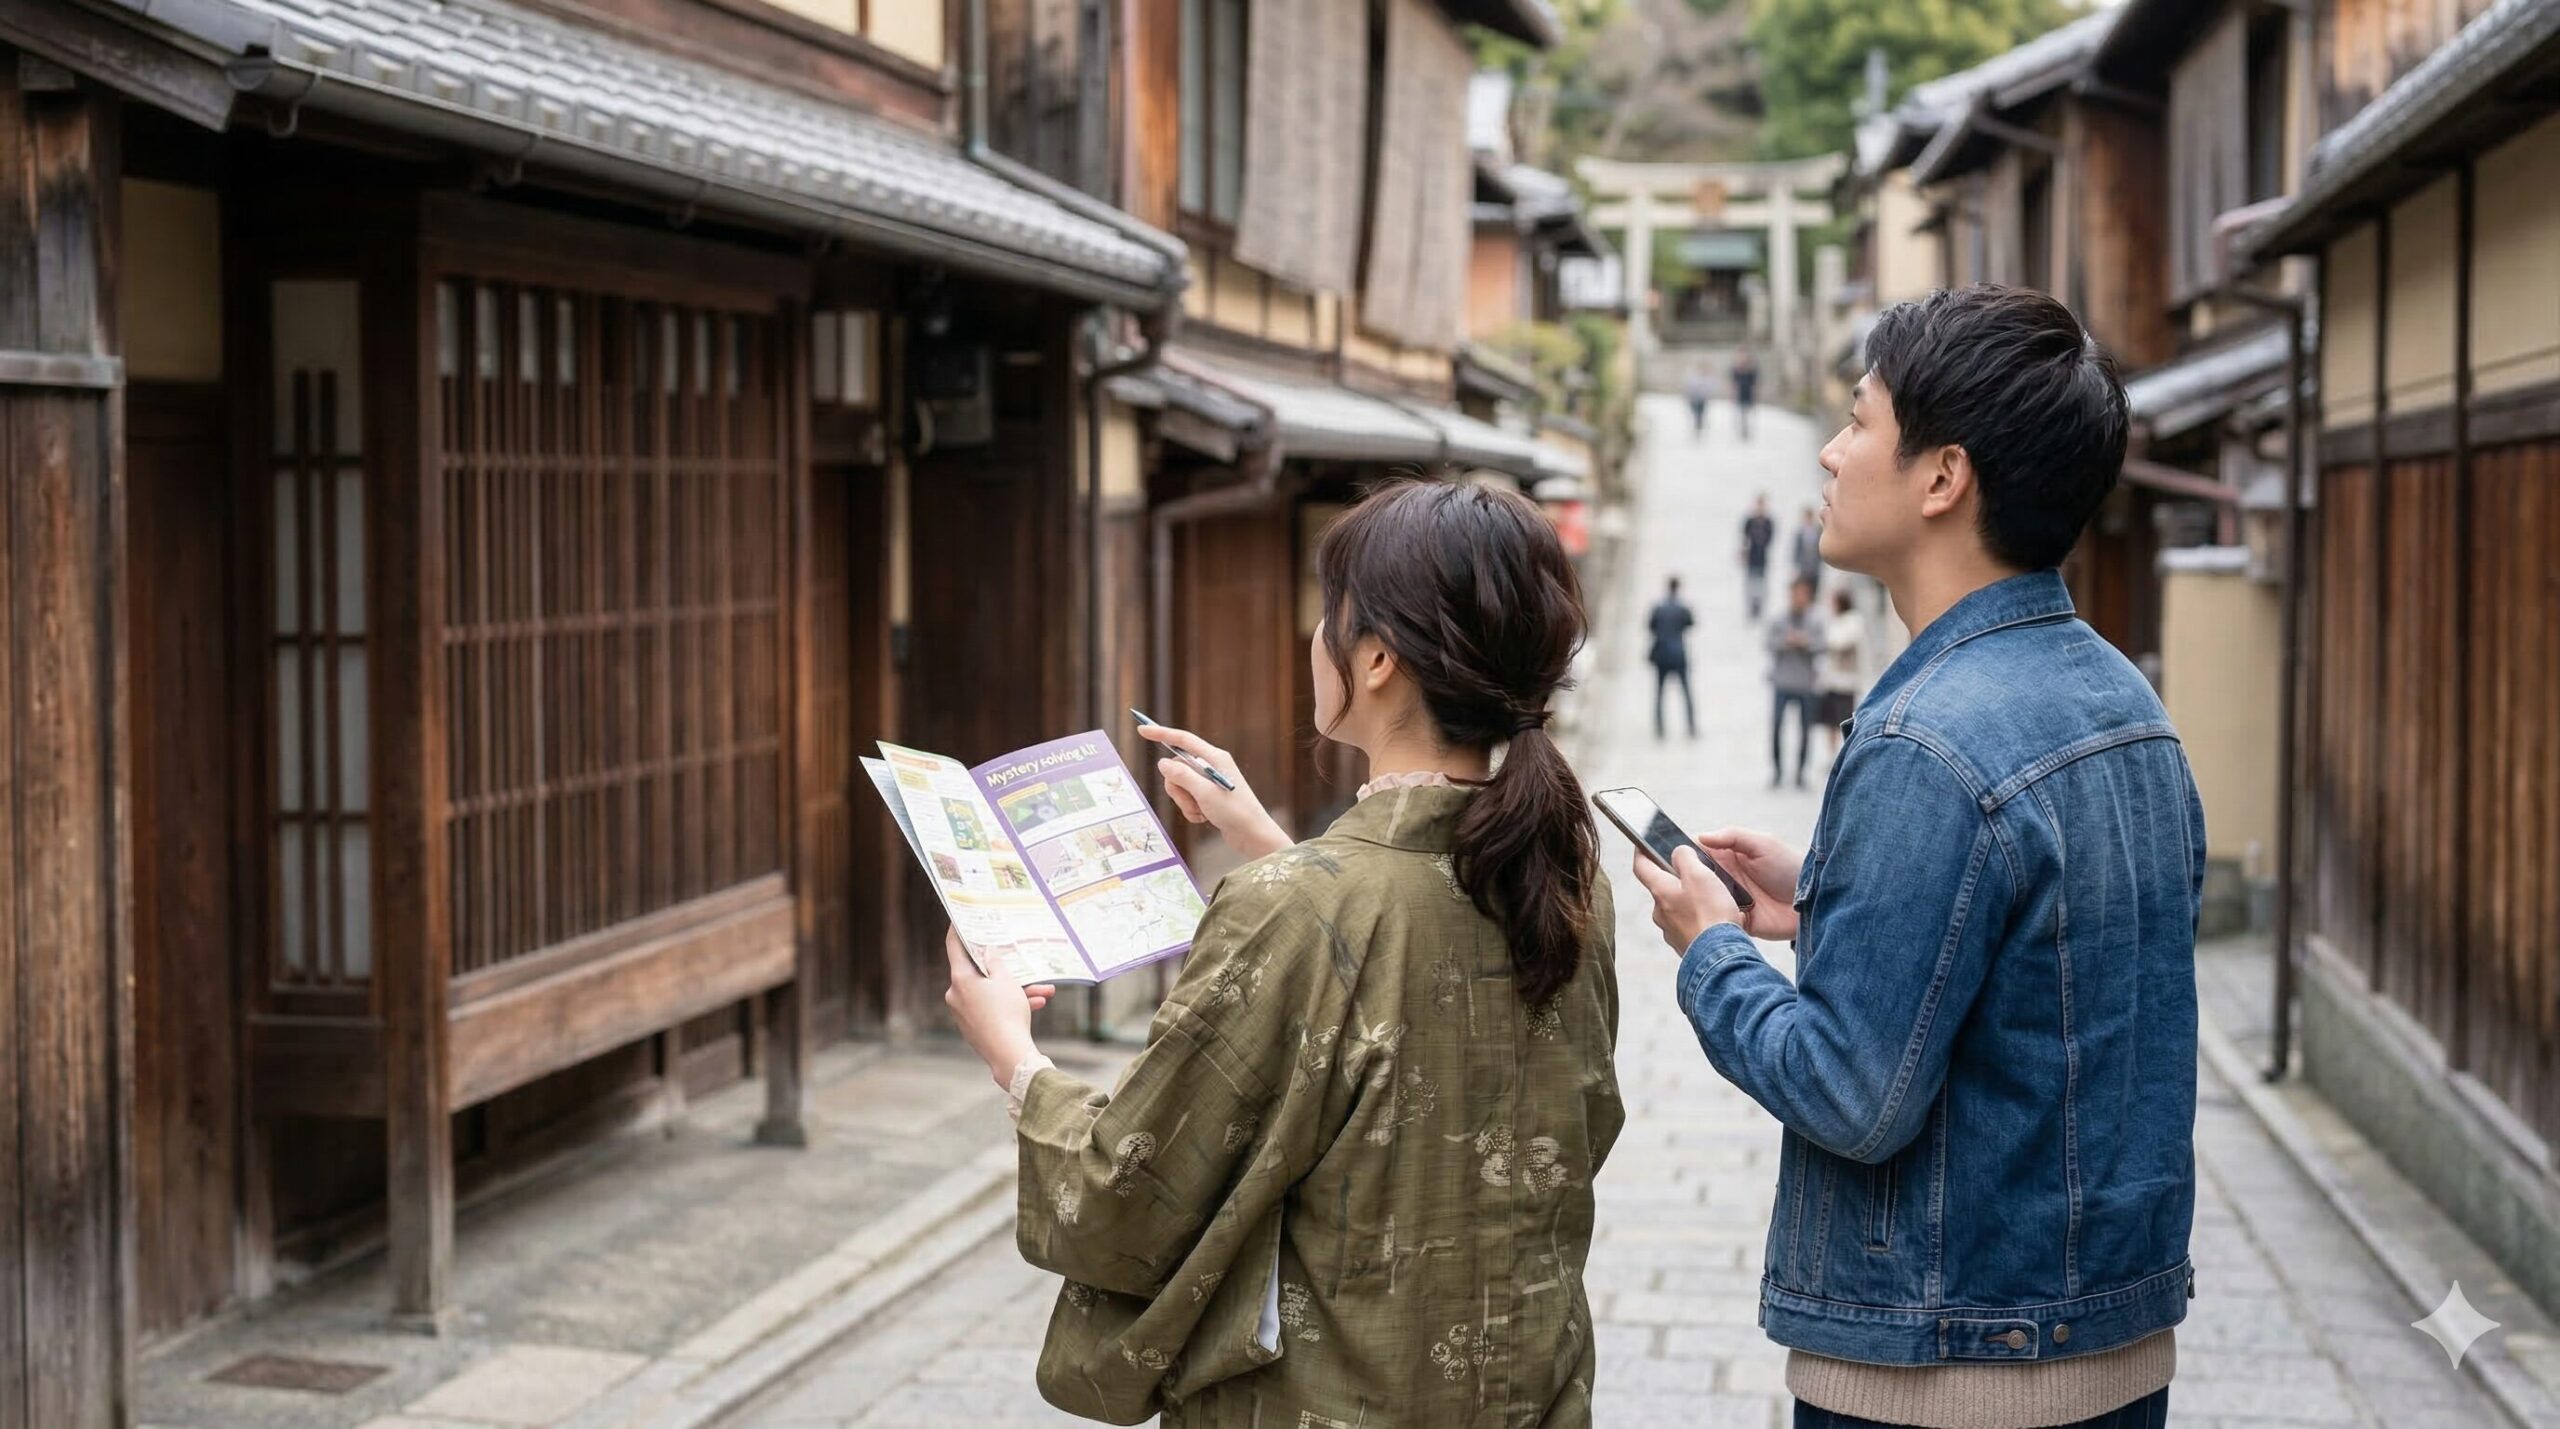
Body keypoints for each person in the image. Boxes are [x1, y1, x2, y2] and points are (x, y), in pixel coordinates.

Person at [1628, 286, 2199, 1429]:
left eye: (1857, 420)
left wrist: (1712, 953)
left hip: (1944, 1373)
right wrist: (1829, 893)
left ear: (1942, 477)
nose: (1831, 454)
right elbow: (2044, 970)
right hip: (2110, 1347)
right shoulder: (2124, 698)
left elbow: (1851, 1093)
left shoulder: (1923, 742)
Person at [941, 479, 1621, 1427]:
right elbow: (1415, 934)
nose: (1317, 636)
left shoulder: (1297, 907)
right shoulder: (1561, 879)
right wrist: (1265, 836)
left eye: (1329, 616)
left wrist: (1011, 1051)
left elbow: (1129, 1185)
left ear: (1377, 657)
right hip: (1519, 1390)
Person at [1766, 576, 1821, 789]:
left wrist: (1806, 643)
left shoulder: (1816, 621)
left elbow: (1823, 645)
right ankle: (1777, 771)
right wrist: (1785, 642)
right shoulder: (1779, 619)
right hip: (1782, 681)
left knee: (1805, 730)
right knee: (1777, 727)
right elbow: (1769, 643)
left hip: (1806, 683)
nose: (1799, 598)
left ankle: (1800, 772)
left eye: (1802, 594)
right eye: (1795, 594)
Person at [1815, 585, 1864, 761]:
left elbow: (1838, 642)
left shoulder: (1853, 621)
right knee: (1830, 722)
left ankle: (1845, 753)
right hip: (1831, 680)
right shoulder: (1834, 620)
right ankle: (1831, 755)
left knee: (1844, 720)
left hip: (1846, 682)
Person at [1647, 576, 1697, 740]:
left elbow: (1650, 626)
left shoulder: (1659, 609)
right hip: (1678, 654)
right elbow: (1691, 623)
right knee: (1686, 691)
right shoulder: (1682, 609)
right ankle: (1690, 725)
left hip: (1662, 654)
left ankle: (1659, 726)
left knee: (1660, 693)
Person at [1741, 495, 1777, 620]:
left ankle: (1759, 607)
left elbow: (1770, 539)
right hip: (1752, 556)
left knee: (1761, 584)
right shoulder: (1750, 521)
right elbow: (1744, 539)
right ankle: (1751, 608)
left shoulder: (1768, 522)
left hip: (1762, 557)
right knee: (1750, 584)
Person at [1790, 504, 1824, 586]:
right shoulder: (1800, 533)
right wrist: (1796, 566)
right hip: (1803, 568)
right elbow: (1796, 550)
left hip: (1815, 568)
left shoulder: (1818, 531)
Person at [1731, 346, 1760, 440]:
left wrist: (1756, 393)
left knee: (1747, 413)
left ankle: (1746, 430)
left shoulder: (1752, 369)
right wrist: (1732, 394)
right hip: (1739, 394)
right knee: (1741, 413)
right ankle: (1743, 430)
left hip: (1749, 394)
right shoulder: (1736, 369)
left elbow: (1756, 383)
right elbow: (1733, 383)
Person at [1686, 365, 1713, 439]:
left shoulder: (1708, 379)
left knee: (1700, 414)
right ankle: (1697, 426)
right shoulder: (1694, 377)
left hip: (1702, 399)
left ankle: (1698, 427)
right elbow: (1689, 387)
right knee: (1695, 413)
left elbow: (1709, 389)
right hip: (1694, 398)